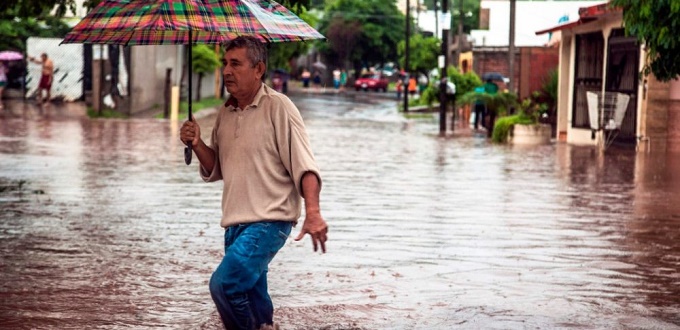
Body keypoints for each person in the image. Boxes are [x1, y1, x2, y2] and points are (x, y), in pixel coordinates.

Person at [179, 36, 328, 330]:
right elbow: (217, 167)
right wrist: (196, 143)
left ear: (258, 69)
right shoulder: (225, 112)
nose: (226, 71)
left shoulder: (279, 108)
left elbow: (305, 166)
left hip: (269, 222)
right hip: (234, 225)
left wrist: (313, 212)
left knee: (224, 285)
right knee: (253, 303)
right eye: (225, 63)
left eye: (235, 64)